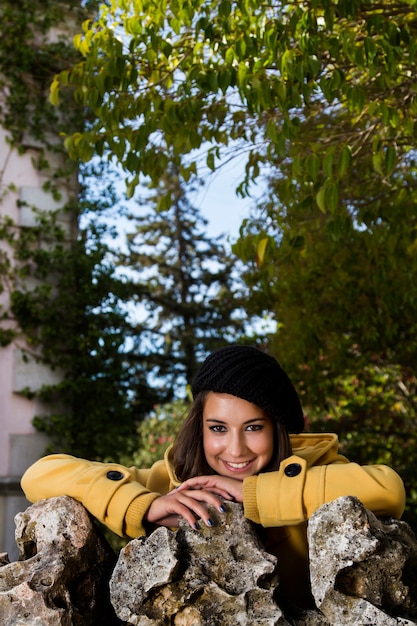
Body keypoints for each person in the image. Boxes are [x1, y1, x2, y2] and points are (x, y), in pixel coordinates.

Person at [21, 345, 405, 609]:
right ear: (200, 428)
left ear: (277, 429)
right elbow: (40, 474)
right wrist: (144, 504)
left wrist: (254, 494)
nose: (235, 450)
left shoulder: (312, 473)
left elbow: (388, 488)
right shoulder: (177, 484)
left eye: (253, 427)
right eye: (218, 428)